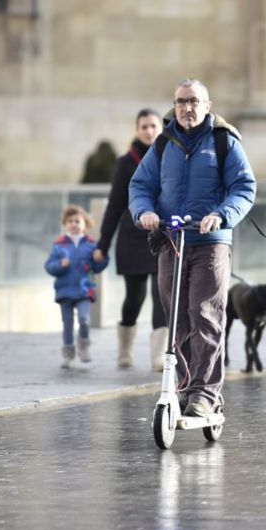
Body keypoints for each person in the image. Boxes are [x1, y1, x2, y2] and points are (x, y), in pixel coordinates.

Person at [129, 78, 257, 418]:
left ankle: (206, 393)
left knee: (205, 315)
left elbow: (244, 187)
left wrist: (221, 214)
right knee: (177, 320)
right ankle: (184, 387)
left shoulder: (223, 141)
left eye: (194, 101)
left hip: (211, 243)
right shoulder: (163, 144)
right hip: (173, 240)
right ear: (174, 105)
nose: (187, 108)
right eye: (181, 102)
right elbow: (140, 184)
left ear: (207, 105)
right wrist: (144, 212)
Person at [94, 109, 168, 370]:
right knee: (133, 299)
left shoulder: (170, 156)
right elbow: (115, 206)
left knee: (162, 294)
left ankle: (158, 355)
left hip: (163, 237)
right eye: (144, 126)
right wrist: (102, 244)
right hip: (132, 239)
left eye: (153, 126)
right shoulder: (126, 162)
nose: (149, 131)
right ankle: (125, 349)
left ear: (161, 127)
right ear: (137, 130)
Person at [45, 205, 109, 369]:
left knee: (84, 319)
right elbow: (49, 266)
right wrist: (60, 264)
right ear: (65, 224)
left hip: (84, 289)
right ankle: (68, 353)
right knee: (67, 323)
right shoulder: (59, 246)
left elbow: (98, 267)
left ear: (85, 224)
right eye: (70, 221)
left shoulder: (91, 245)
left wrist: (101, 258)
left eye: (77, 221)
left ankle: (84, 346)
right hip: (64, 290)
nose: (73, 224)